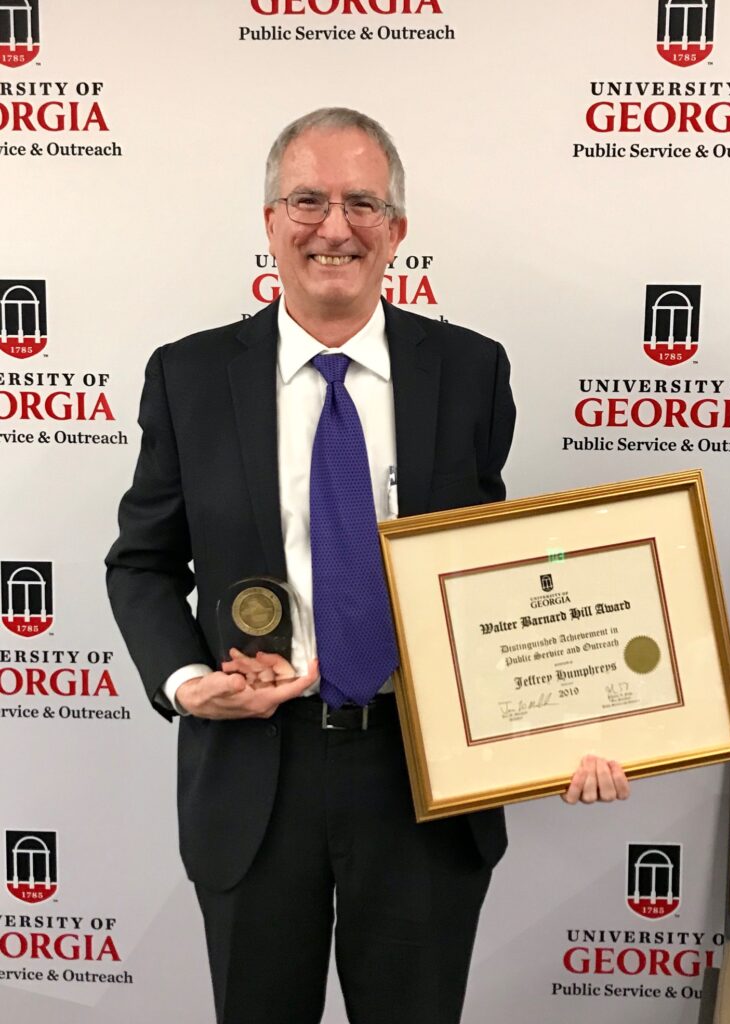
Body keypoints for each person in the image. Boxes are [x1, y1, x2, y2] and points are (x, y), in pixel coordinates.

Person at [106, 107, 628, 1024]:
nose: (334, 227)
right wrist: (189, 680)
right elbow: (142, 564)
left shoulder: (469, 370)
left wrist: (572, 712)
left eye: (361, 204)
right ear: (269, 221)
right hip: (256, 778)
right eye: (307, 200)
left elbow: (498, 574)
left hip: (424, 776)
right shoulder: (187, 377)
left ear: (397, 231)